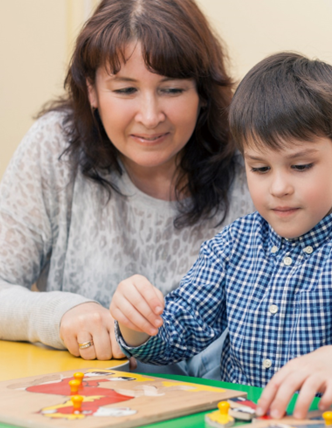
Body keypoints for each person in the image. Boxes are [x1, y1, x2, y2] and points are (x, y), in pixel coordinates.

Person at [110, 52, 332, 418]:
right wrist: (136, 326)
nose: (279, 187)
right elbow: (179, 334)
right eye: (260, 167)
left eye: (300, 166)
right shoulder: (232, 245)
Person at [0, 0, 254, 371]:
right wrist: (63, 312)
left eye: (172, 89)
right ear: (92, 91)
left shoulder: (251, 163)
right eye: (125, 90)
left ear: (202, 93)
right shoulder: (54, 146)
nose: (150, 117)